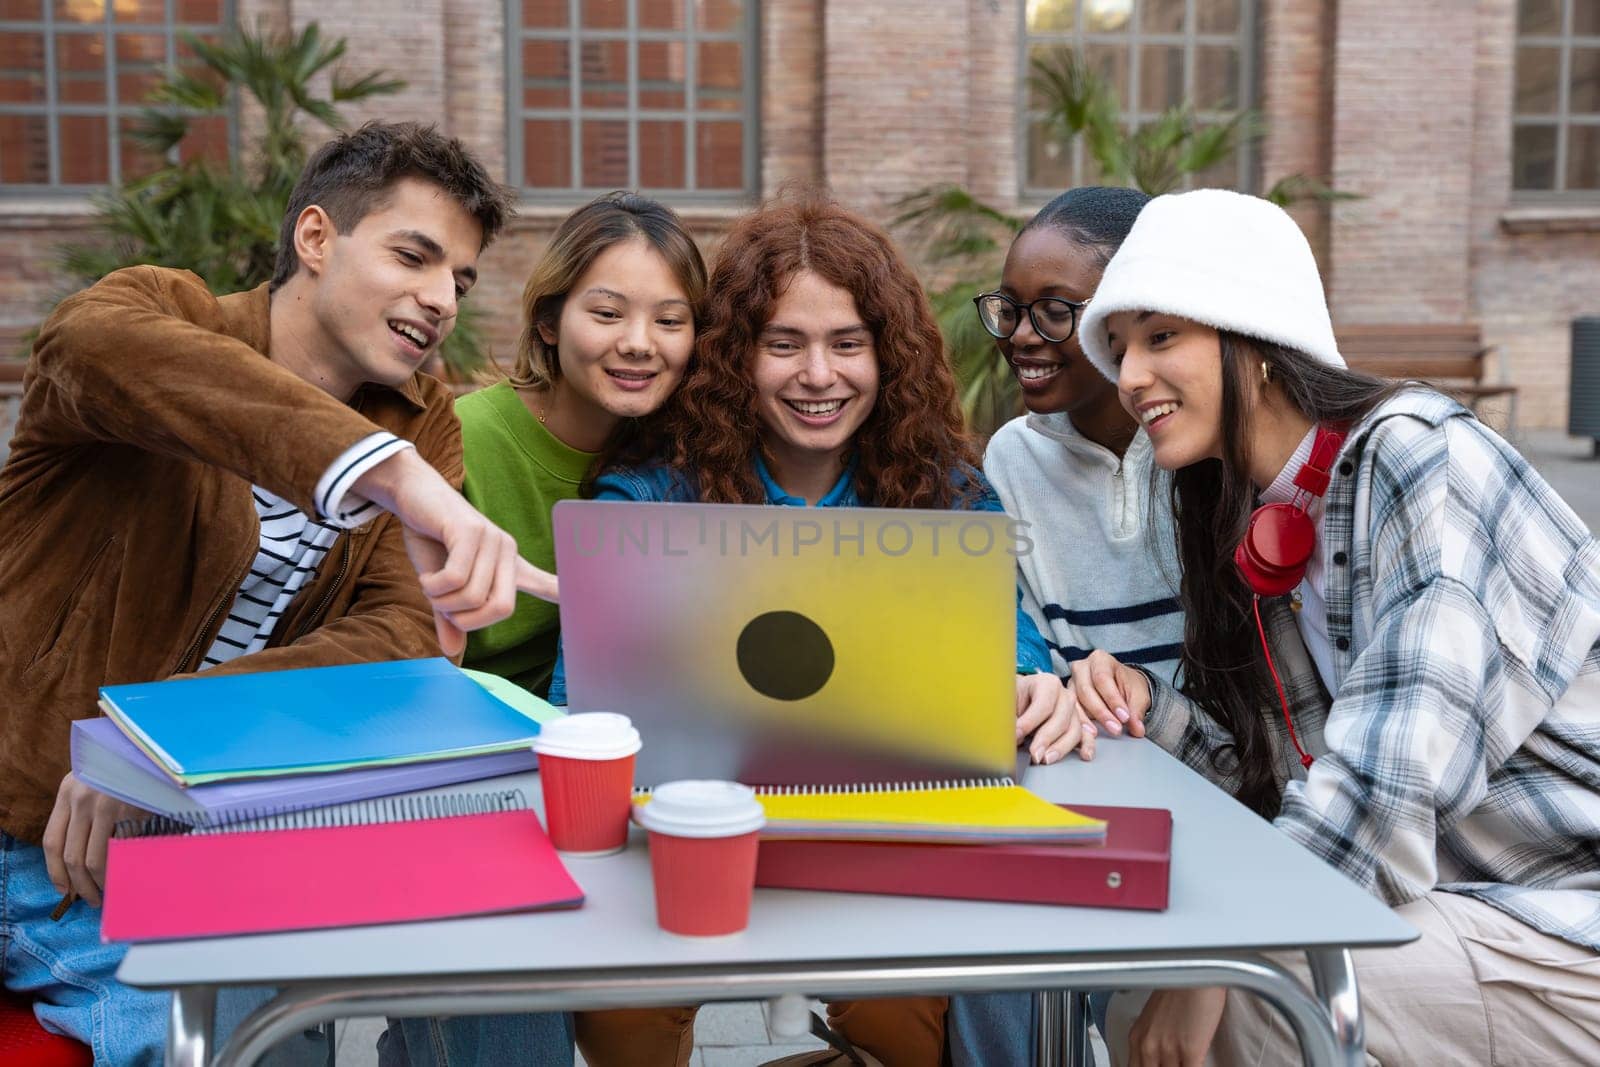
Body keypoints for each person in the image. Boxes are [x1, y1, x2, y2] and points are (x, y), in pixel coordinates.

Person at [0, 121, 553, 1065]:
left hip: (242, 809)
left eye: (458, 280)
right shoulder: (156, 317)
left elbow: (403, 630)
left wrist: (147, 741)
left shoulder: (423, 416)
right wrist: (391, 475)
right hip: (42, 840)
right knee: (245, 1017)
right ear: (315, 238)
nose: (438, 299)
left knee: (509, 967)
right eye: (412, 255)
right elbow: (97, 346)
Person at [546, 191, 1084, 1067]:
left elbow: (1007, 651)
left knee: (916, 1010)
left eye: (848, 344)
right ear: (735, 356)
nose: (818, 375)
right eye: (783, 343)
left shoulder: (943, 492)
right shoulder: (650, 497)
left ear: (887, 355)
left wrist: (1033, 684)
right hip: (684, 841)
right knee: (623, 1009)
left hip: (879, 846)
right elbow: (584, 702)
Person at [1071, 188, 1600, 1065]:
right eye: (1121, 347)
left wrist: (1222, 958)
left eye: (1161, 336)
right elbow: (1274, 780)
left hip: (1563, 912)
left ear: (1259, 337)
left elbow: (1381, 791)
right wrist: (1143, 707)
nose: (1127, 377)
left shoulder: (1419, 456)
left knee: (1261, 999)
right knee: (1145, 988)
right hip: (1465, 903)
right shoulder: (1256, 512)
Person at [379, 191, 706, 1067]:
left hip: (609, 783)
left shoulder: (681, 464)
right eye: (608, 311)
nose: (639, 342)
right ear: (552, 318)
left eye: (670, 320)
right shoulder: (459, 441)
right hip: (458, 780)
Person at [949, 186, 1186, 1066]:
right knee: (998, 947)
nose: (1018, 335)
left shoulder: (1198, 447)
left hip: (1217, 779)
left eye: (1055, 312)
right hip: (1092, 771)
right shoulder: (1012, 454)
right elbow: (1031, 642)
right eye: (1011, 308)